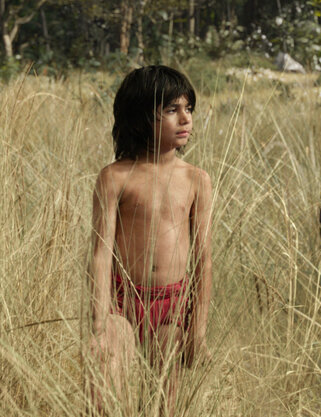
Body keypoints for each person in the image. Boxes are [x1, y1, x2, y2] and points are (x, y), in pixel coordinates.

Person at [87, 65, 213, 415]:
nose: (185, 118)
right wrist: (98, 321)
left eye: (188, 108)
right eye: (172, 110)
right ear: (141, 117)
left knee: (163, 401)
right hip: (120, 303)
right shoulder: (115, 178)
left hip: (171, 308)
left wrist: (197, 331)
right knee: (104, 398)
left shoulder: (195, 180)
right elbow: (100, 253)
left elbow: (203, 259)